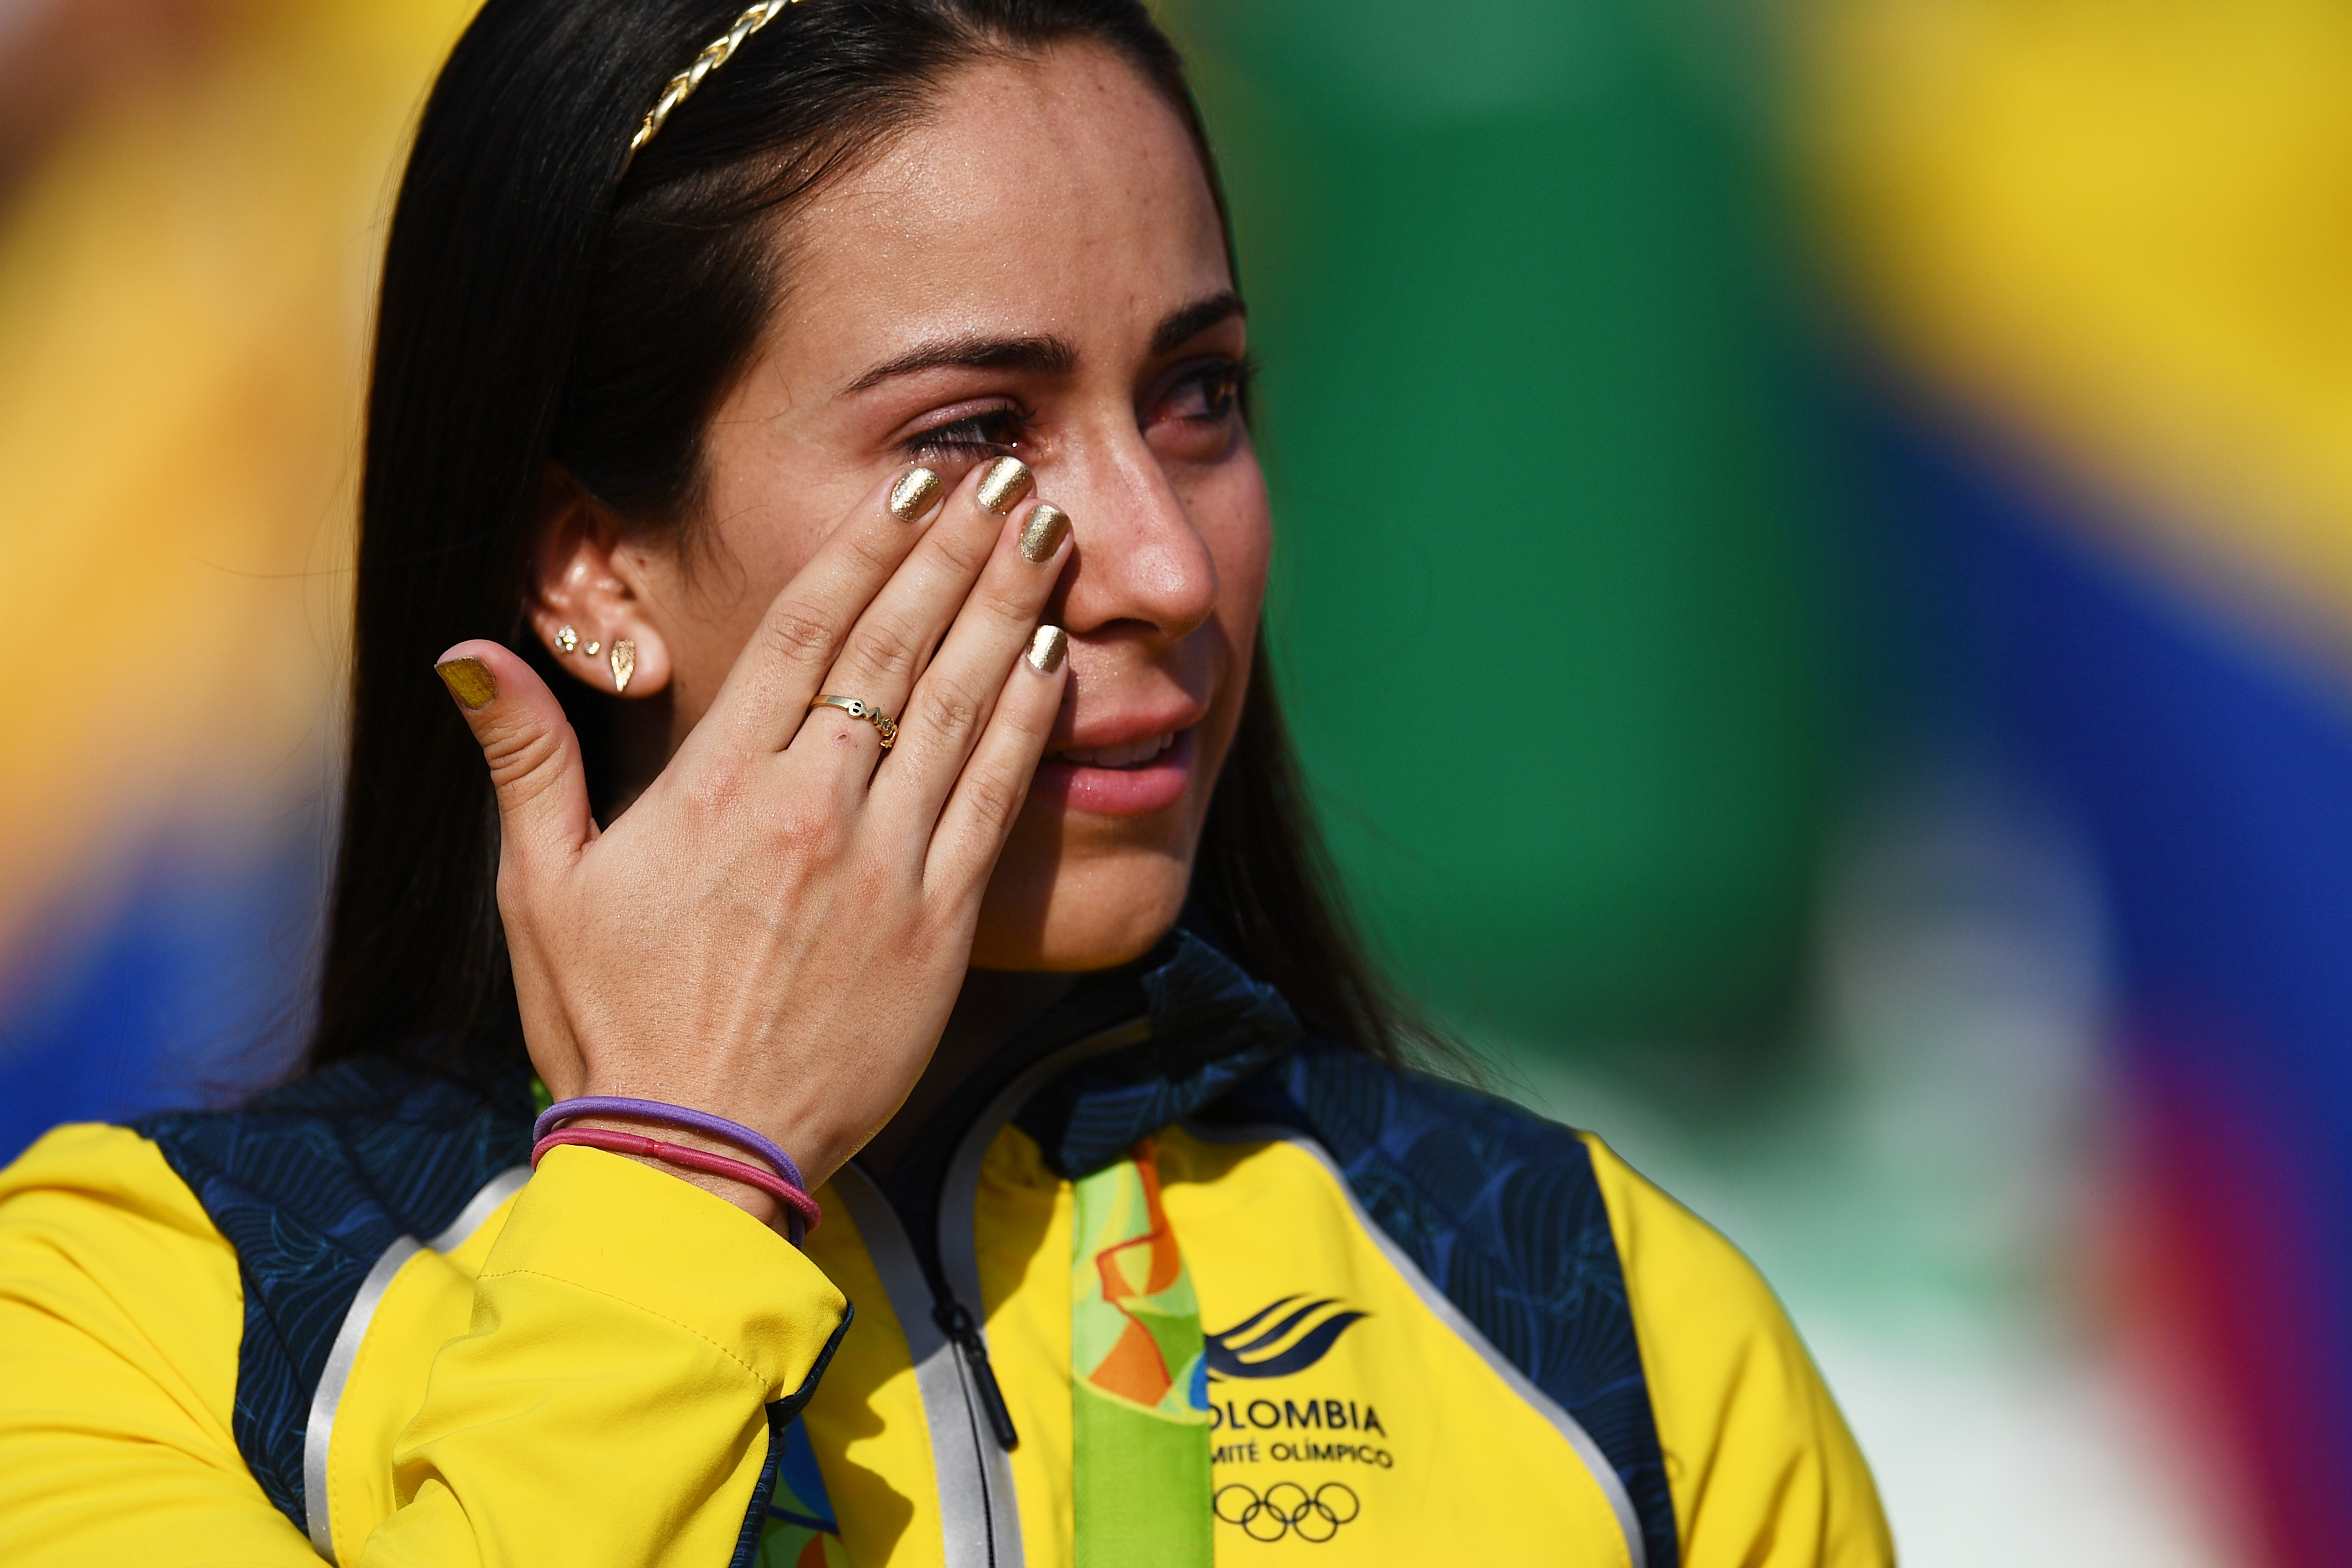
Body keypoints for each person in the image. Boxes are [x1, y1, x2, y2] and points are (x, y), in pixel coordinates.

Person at [0, 1, 1890, 1563]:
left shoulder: (1600, 1318)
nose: (1160, 562)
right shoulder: (135, 1317)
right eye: (977, 433)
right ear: (593, 567)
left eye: (1199, 396)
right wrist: (679, 1177)